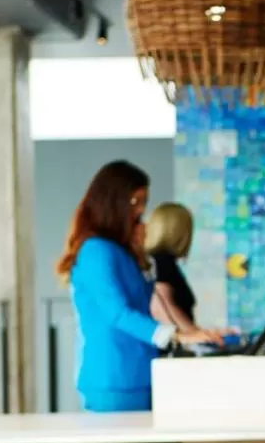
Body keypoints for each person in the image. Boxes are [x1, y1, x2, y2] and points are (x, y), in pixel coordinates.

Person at [56, 161, 210, 412]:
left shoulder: (120, 252)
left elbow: (149, 299)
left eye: (143, 203)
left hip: (139, 374)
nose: (140, 212)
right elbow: (116, 312)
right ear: (113, 202)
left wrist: (140, 255)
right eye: (134, 202)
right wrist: (176, 336)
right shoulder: (95, 251)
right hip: (113, 379)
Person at [144, 201, 225, 344]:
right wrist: (195, 335)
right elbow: (164, 307)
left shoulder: (157, 261)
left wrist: (204, 334)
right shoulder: (163, 261)